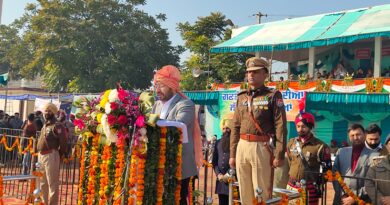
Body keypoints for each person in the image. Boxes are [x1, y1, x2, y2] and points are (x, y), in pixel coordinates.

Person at [230, 57, 287, 203]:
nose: (251, 75)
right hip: (242, 146)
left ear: (265, 74)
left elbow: (281, 126)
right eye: (249, 72)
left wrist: (279, 154)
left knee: (260, 193)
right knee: (244, 193)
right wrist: (232, 153)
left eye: (255, 72)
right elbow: (235, 127)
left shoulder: (272, 96)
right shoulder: (241, 97)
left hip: (261, 147)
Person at [151, 65, 202, 205]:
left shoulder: (185, 104)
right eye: (156, 85)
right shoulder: (157, 105)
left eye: (161, 86)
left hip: (179, 164)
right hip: (159, 162)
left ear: (172, 86)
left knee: (178, 199)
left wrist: (153, 122)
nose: (157, 90)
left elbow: (179, 124)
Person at [286, 111, 331, 205]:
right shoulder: (291, 143)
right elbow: (290, 162)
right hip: (291, 186)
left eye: (303, 126)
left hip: (309, 189)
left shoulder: (320, 146)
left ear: (310, 127)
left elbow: (328, 171)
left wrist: (317, 184)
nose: (300, 129)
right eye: (298, 126)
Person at [333, 123, 379, 205]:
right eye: (352, 135)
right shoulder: (341, 152)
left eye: (358, 134)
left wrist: (354, 197)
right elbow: (335, 175)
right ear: (349, 137)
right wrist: (342, 194)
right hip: (341, 200)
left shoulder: (375, 155)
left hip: (363, 200)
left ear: (365, 135)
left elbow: (375, 181)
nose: (355, 138)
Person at [37, 102, 68, 205]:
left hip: (51, 155)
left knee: (52, 184)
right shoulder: (45, 125)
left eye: (49, 110)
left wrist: (59, 155)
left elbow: (63, 143)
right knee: (42, 183)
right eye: (46, 110)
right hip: (41, 155)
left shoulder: (58, 125)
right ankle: (44, 203)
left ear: (54, 112)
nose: (47, 112)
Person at [212, 124, 232, 205]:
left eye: (228, 128)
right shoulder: (218, 142)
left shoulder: (236, 143)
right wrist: (218, 174)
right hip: (221, 181)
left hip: (232, 179)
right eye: (223, 128)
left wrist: (228, 174)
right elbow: (214, 162)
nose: (225, 130)